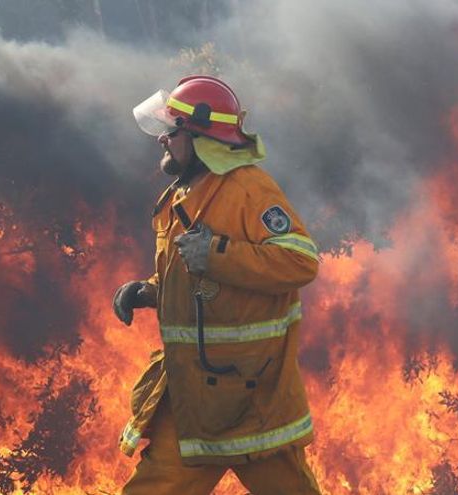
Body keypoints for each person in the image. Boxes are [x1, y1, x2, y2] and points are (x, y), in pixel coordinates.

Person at [113, 75, 321, 494]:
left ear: (198, 135)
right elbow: (193, 272)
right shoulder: (184, 193)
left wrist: (218, 255)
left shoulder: (248, 188)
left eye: (171, 131)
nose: (163, 141)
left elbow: (300, 261)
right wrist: (151, 291)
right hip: (192, 402)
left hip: (253, 401)